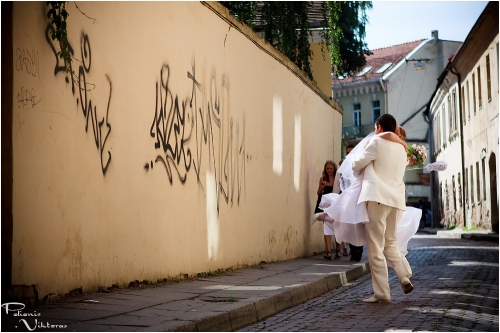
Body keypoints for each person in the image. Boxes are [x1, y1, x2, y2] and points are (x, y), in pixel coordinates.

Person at [352, 114, 414, 303]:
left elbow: (356, 164)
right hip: (396, 200)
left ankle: (382, 293)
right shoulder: (402, 149)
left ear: (378, 127)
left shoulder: (375, 143)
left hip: (377, 198)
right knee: (390, 243)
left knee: (376, 247)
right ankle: (404, 276)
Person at [312, 160, 337, 260]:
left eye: (331, 168)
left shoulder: (337, 179)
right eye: (327, 168)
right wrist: (321, 187)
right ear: (325, 169)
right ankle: (329, 251)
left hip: (335, 204)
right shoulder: (323, 179)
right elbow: (318, 192)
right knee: (326, 226)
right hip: (324, 204)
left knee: (336, 226)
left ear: (334, 168)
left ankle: (338, 251)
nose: (329, 170)